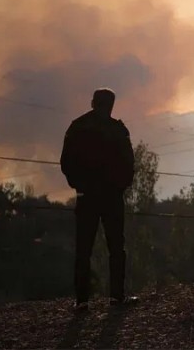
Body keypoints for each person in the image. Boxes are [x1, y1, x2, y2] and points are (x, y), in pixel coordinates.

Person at [60, 88, 136, 310]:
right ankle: (117, 296)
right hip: (112, 197)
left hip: (87, 197)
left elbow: (66, 162)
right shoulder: (118, 130)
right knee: (116, 247)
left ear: (93, 102)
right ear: (111, 105)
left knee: (84, 248)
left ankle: (82, 301)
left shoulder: (77, 127)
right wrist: (120, 187)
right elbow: (129, 164)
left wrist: (79, 186)